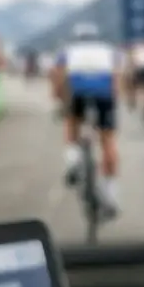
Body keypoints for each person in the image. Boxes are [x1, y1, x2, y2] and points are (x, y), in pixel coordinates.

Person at [52, 21, 124, 218]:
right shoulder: (109, 51)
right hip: (104, 95)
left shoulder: (68, 51)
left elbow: (58, 76)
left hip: (78, 94)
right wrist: (114, 99)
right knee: (108, 141)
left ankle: (73, 162)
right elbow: (118, 77)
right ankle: (111, 195)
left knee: (71, 124)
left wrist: (59, 98)